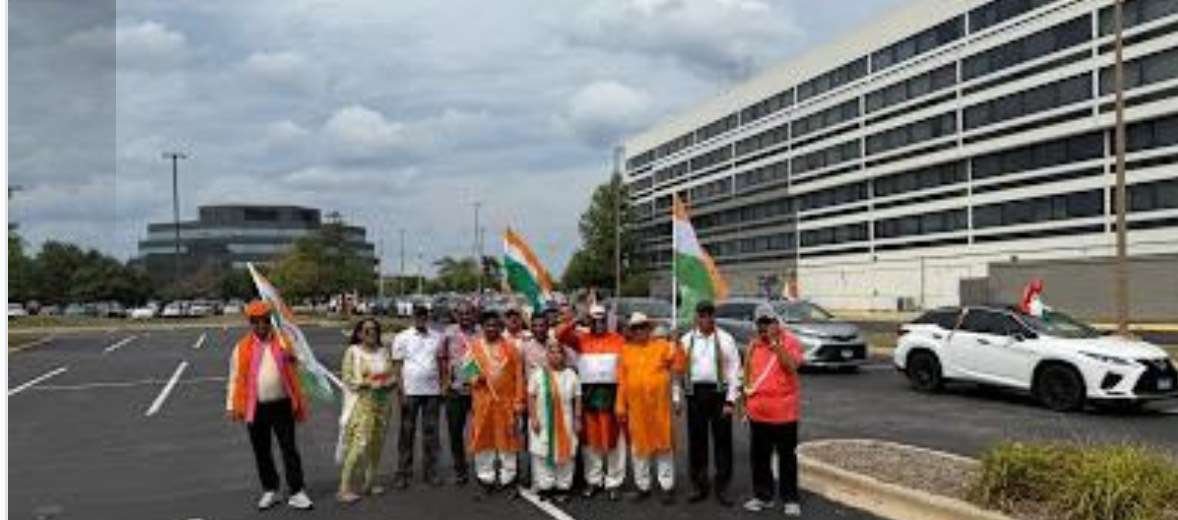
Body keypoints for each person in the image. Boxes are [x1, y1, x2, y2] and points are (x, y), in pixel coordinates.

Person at [225, 300, 313, 511]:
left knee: (289, 449)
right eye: (256, 322)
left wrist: (293, 355)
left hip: (282, 405)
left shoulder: (283, 341)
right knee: (261, 450)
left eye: (264, 321)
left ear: (270, 321)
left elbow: (302, 360)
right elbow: (234, 377)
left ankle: (297, 491)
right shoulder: (242, 348)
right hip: (255, 406)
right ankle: (270, 490)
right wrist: (230, 404)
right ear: (251, 324)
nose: (261, 326)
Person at [556, 304, 626, 500]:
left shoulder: (618, 340)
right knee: (590, 442)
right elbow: (560, 335)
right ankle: (593, 480)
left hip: (611, 394)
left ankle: (613, 481)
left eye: (602, 319)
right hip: (588, 395)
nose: (599, 324)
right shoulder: (581, 339)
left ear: (608, 320)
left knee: (613, 441)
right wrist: (577, 320)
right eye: (595, 320)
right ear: (590, 321)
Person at [741, 305, 805, 517]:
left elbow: (792, 367)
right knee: (759, 457)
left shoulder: (790, 342)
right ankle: (763, 496)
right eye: (760, 323)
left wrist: (777, 345)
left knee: (787, 457)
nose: (764, 327)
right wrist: (745, 405)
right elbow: (748, 377)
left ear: (777, 323)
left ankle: (790, 498)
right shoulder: (753, 345)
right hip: (758, 413)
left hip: (785, 414)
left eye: (768, 322)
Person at [616, 312, 684, 505]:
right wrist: (620, 406)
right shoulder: (625, 351)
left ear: (649, 329)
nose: (639, 331)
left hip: (659, 408)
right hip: (636, 410)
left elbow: (679, 367)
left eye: (643, 327)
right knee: (639, 450)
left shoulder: (662, 346)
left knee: (664, 448)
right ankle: (642, 486)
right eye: (635, 328)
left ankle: (666, 487)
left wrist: (677, 345)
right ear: (631, 331)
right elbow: (622, 381)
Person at [679, 300, 741, 506]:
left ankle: (722, 487)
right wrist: (677, 398)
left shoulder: (725, 339)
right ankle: (699, 486)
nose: (706, 319)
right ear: (696, 317)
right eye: (702, 315)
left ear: (714, 316)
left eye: (709, 315)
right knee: (697, 443)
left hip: (719, 394)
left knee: (722, 442)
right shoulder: (686, 340)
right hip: (695, 395)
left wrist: (731, 400)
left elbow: (734, 372)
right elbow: (677, 370)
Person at [465, 311, 526, 497]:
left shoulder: (511, 348)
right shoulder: (474, 347)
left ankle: (508, 479)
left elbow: (519, 377)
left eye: (494, 325)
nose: (491, 328)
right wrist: (476, 378)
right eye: (487, 325)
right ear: (482, 328)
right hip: (483, 404)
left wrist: (518, 402)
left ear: (500, 327)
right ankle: (486, 478)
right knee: (484, 441)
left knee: (507, 441)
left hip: (506, 404)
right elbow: (467, 370)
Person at [337, 318, 398, 503]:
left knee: (376, 446)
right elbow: (347, 378)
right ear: (358, 333)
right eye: (366, 330)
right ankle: (344, 488)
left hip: (382, 405)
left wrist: (388, 383)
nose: (370, 333)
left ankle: (369, 484)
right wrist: (368, 383)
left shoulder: (383, 352)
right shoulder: (353, 352)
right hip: (361, 405)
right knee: (358, 445)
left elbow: (392, 376)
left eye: (374, 330)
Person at [392, 304, 446, 488]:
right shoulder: (402, 337)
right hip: (410, 392)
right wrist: (401, 392)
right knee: (407, 433)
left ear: (428, 317)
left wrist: (443, 387)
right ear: (413, 316)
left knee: (431, 434)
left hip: (432, 392)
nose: (421, 318)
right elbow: (397, 367)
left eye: (424, 315)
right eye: (418, 315)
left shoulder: (437, 337)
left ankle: (431, 472)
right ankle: (403, 473)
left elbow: (441, 363)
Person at [527, 341, 582, 502]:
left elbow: (578, 398)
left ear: (564, 356)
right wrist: (533, 418)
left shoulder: (571, 374)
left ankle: (563, 487)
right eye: (551, 352)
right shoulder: (538, 374)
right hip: (543, 421)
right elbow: (531, 396)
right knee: (542, 453)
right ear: (547, 355)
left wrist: (578, 419)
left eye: (559, 352)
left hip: (566, 421)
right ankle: (546, 487)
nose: (555, 355)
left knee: (566, 453)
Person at [442, 300, 479, 485]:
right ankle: (460, 469)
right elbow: (441, 357)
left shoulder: (481, 333)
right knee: (455, 432)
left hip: (478, 390)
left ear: (474, 314)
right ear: (457, 315)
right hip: (455, 390)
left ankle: (483, 468)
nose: (465, 317)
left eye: (469, 313)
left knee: (480, 430)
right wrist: (444, 381)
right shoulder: (449, 332)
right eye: (462, 313)